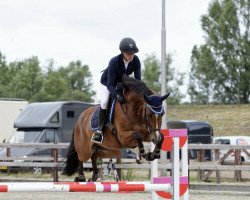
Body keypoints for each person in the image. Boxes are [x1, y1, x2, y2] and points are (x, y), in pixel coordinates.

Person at [91, 37, 142, 143]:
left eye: (132, 53)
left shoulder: (136, 61)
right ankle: (99, 131)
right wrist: (117, 96)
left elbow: (138, 82)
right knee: (104, 102)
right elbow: (110, 84)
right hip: (107, 83)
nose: (131, 55)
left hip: (121, 82)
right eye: (128, 53)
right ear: (122, 52)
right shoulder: (114, 61)